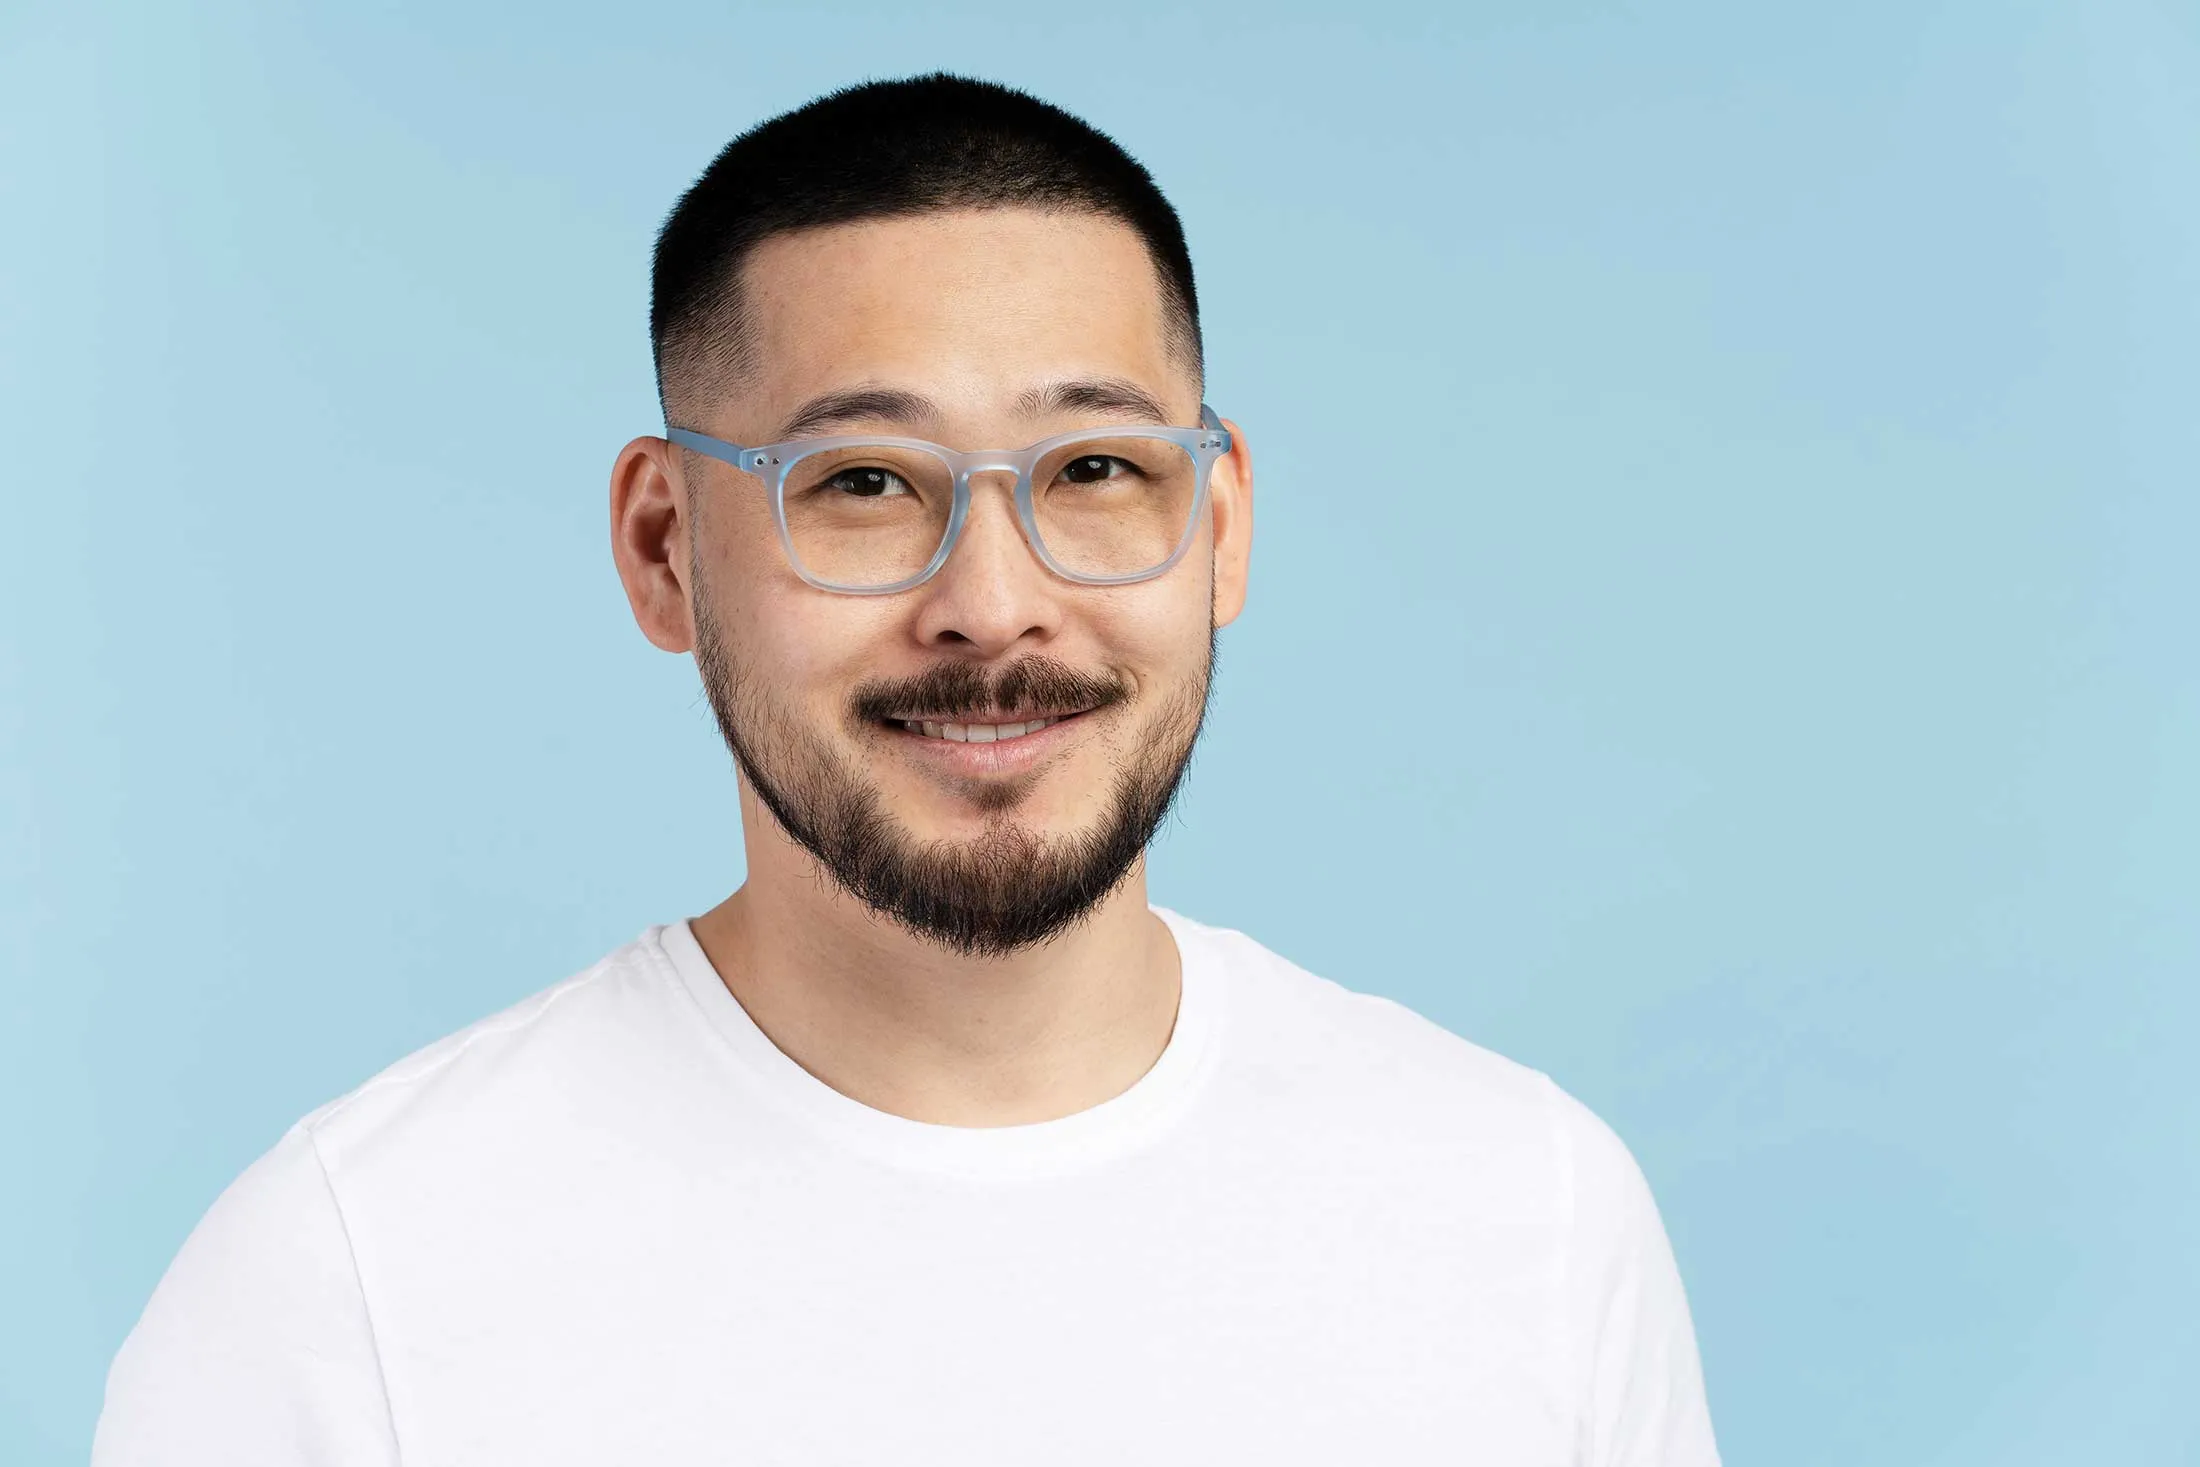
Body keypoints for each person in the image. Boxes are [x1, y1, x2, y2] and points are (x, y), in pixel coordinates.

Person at [93, 74, 1719, 1465]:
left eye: (1094, 469)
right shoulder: (348, 1281)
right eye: (863, 480)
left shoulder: (1528, 1208)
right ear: (665, 550)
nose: (994, 604)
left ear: (1217, 529)